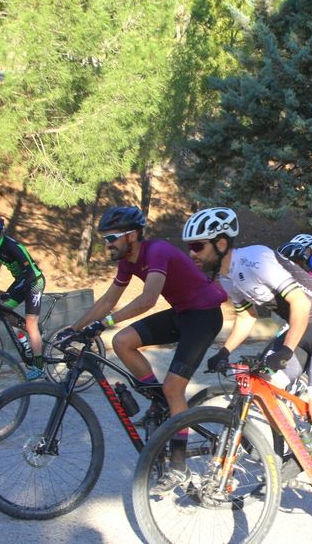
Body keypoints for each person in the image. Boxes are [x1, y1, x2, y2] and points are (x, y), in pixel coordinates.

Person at [193, 208, 312, 514]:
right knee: (266, 387)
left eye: (197, 246)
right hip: (301, 324)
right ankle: (306, 448)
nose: (192, 254)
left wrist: (286, 350)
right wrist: (224, 351)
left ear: (220, 244)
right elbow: (246, 318)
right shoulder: (227, 277)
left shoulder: (255, 258)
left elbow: (300, 302)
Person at [70, 205, 227, 485]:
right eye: (104, 239)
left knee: (174, 388)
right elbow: (108, 300)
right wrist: (74, 330)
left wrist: (104, 323)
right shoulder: (127, 261)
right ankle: (161, 402)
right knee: (122, 341)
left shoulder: (157, 251)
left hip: (204, 317)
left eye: (111, 238)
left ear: (131, 235)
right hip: (182, 313)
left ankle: (178, 464)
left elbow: (147, 300)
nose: (107, 245)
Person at [0, 216, 46, 380]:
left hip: (34, 281)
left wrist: (10, 293)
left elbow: (30, 273)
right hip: (22, 282)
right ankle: (27, 334)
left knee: (31, 323)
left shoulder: (11, 246)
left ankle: (39, 367)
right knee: (2, 310)